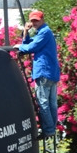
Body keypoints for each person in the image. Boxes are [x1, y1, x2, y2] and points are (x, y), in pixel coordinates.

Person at [14, 9, 60, 137]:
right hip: (51, 72)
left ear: (42, 20)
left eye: (36, 20)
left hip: (43, 72)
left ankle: (49, 130)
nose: (34, 23)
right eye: (32, 20)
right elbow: (30, 43)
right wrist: (25, 32)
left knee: (43, 102)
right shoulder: (44, 32)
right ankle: (51, 129)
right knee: (51, 103)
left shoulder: (44, 32)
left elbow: (31, 47)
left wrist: (19, 47)